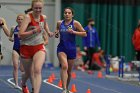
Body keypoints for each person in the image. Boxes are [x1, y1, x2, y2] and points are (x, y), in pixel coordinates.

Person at [19, 0, 52, 93]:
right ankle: (23, 83)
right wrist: (33, 31)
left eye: (40, 8)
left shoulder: (43, 17)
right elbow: (20, 34)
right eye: (36, 8)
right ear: (32, 7)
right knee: (28, 73)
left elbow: (45, 25)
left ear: (42, 8)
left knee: (37, 70)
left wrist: (48, 32)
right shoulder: (27, 17)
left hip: (39, 46)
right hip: (26, 47)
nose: (38, 10)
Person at [54, 7, 87, 93]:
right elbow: (57, 29)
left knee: (69, 72)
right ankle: (64, 88)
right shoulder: (59, 23)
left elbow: (84, 34)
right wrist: (56, 33)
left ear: (72, 15)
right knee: (64, 66)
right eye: (65, 13)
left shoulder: (75, 23)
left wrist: (74, 32)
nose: (67, 14)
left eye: (69, 13)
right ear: (63, 14)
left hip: (71, 49)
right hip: (61, 48)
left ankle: (66, 88)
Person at [9, 14, 25, 88]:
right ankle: (16, 84)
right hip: (15, 49)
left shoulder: (26, 28)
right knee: (15, 66)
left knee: (22, 68)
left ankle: (23, 81)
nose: (20, 20)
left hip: (23, 49)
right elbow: (10, 36)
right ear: (16, 20)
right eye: (19, 19)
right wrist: (11, 39)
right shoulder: (13, 28)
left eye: (22, 19)